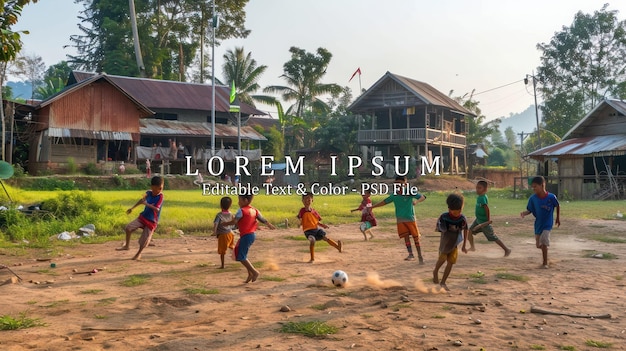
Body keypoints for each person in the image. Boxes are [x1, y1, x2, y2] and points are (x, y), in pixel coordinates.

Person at [372, 175, 426, 263]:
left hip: (410, 218)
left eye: (400, 183)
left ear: (405, 184)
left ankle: (420, 255)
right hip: (400, 219)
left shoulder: (409, 191)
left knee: (415, 237)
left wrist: (416, 201)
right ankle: (410, 254)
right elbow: (384, 202)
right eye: (396, 183)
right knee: (405, 237)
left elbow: (423, 197)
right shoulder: (394, 195)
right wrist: (373, 207)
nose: (398, 185)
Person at [222, 193, 275, 283]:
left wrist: (225, 223)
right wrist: (269, 224)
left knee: (241, 256)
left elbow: (235, 221)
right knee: (242, 254)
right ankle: (250, 274)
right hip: (251, 235)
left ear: (245, 200)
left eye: (240, 200)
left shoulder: (241, 210)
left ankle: (254, 272)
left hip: (246, 236)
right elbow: (262, 219)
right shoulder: (254, 210)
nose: (238, 202)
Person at [116, 176, 165, 260]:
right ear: (152, 187)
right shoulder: (148, 193)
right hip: (143, 216)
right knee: (128, 228)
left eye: (161, 188)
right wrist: (132, 208)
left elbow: (157, 209)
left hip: (152, 221)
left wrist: (147, 204)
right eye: (157, 188)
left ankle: (138, 254)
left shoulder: (160, 196)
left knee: (143, 241)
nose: (159, 190)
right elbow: (141, 200)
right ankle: (127, 246)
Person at [521, 176, 560, 269]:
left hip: (547, 224)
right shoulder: (533, 198)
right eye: (532, 187)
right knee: (539, 245)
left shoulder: (551, 197)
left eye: (535, 186)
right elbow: (530, 210)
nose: (533, 189)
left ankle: (545, 263)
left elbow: (557, 205)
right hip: (538, 224)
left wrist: (558, 218)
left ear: (542, 185)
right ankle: (544, 249)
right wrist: (524, 213)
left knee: (544, 242)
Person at [433, 193, 469, 292]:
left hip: (454, 244)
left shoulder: (462, 219)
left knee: (451, 262)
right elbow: (440, 227)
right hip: (445, 243)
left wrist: (464, 245)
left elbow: (466, 230)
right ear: (449, 209)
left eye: (459, 211)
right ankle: (435, 271)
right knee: (442, 259)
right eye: (455, 212)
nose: (457, 213)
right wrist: (443, 227)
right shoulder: (444, 217)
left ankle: (443, 282)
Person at [468, 180, 511, 256]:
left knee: (493, 237)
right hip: (478, 220)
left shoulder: (483, 198)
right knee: (470, 231)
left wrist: (487, 221)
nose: (477, 189)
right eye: (477, 188)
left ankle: (506, 250)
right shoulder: (480, 197)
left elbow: (487, 209)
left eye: (479, 188)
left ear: (485, 189)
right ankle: (472, 247)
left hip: (484, 222)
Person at [298, 192, 343, 263]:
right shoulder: (302, 210)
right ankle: (312, 259)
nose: (307, 201)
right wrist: (300, 223)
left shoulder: (314, 212)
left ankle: (338, 247)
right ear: (302, 201)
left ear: (312, 200)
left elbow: (316, 222)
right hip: (308, 231)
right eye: (305, 199)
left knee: (325, 238)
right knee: (312, 240)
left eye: (309, 199)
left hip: (316, 230)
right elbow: (300, 218)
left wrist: (323, 225)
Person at [213, 197, 235, 269]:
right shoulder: (231, 214)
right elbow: (234, 222)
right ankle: (239, 256)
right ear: (230, 205)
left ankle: (222, 265)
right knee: (231, 246)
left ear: (220, 205)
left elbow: (216, 224)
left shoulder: (219, 215)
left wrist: (214, 232)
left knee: (222, 251)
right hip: (230, 233)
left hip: (223, 235)